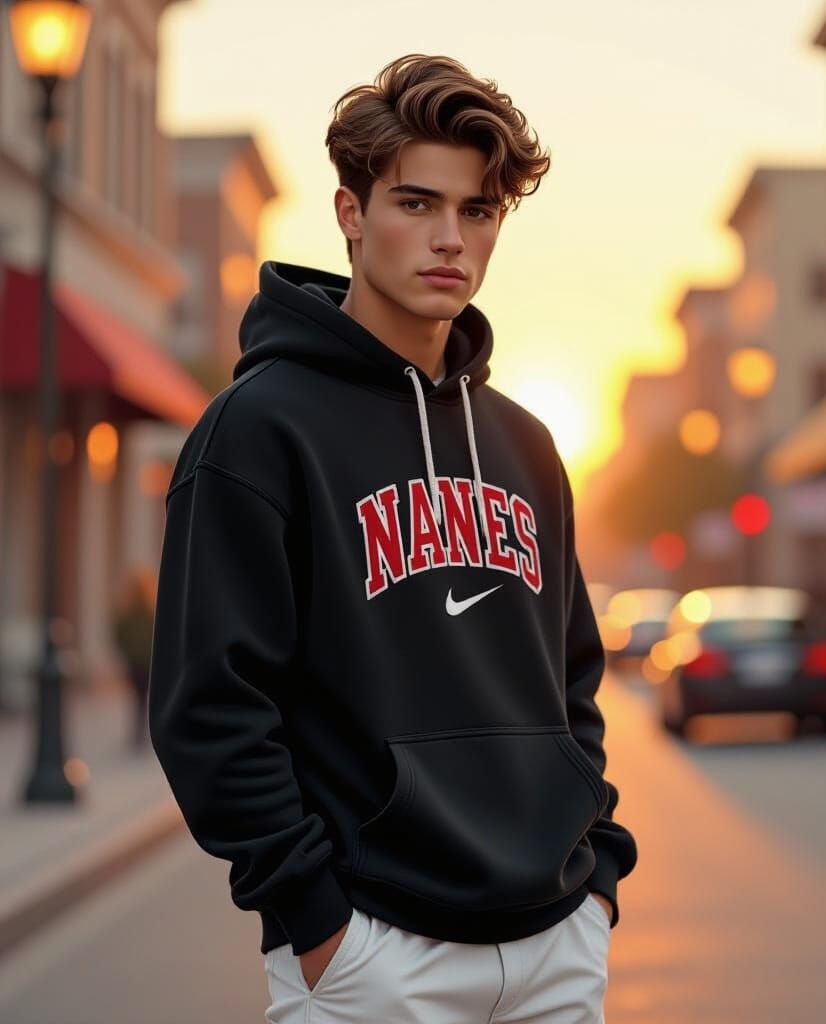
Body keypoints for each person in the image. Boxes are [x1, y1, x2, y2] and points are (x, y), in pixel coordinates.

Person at [148, 53, 638, 1023]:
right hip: (375, 958)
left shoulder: (527, 445)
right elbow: (209, 703)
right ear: (349, 213)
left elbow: (571, 681)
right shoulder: (258, 431)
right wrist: (313, 917)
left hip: (554, 945)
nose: (449, 238)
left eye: (479, 211)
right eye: (416, 204)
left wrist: (596, 878)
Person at [112, 565, 156, 752]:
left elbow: (118, 634)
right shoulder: (152, 612)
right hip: (147, 662)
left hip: (134, 663)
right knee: (144, 698)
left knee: (137, 699)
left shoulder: (127, 612)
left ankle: (138, 733)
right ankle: (143, 732)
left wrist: (126, 652)